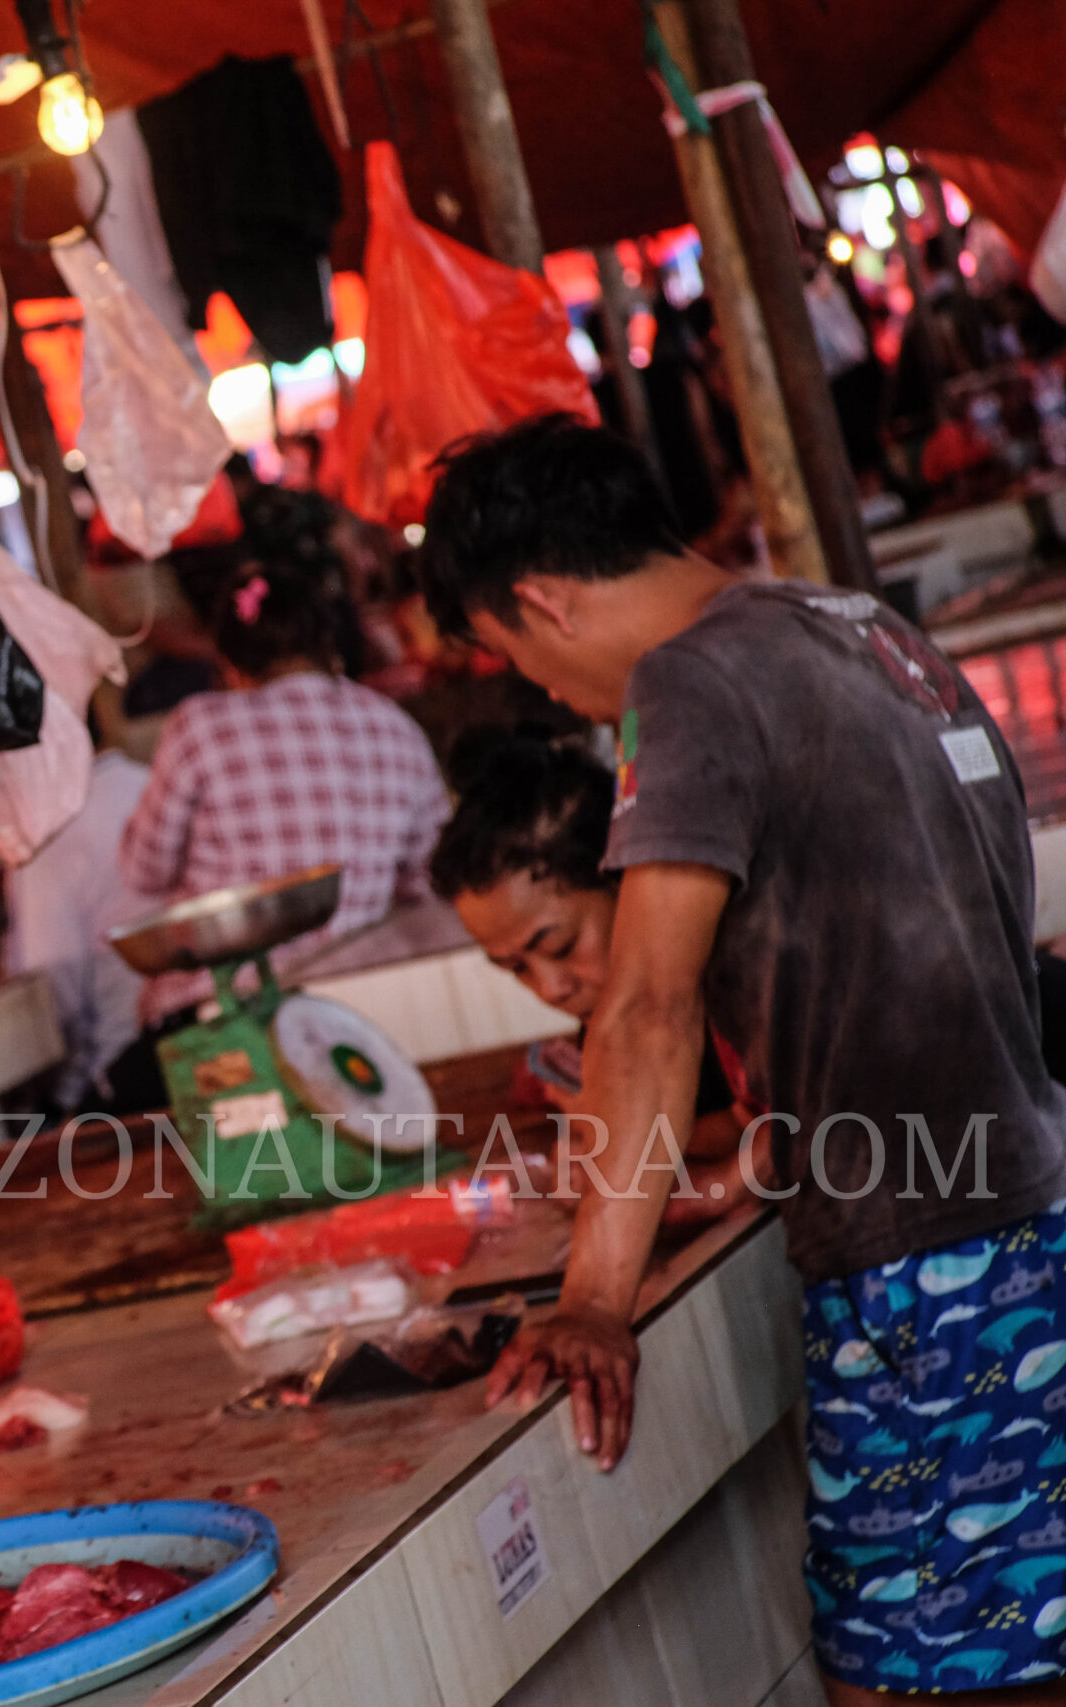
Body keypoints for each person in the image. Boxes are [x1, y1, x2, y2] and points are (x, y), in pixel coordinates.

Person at [420, 414, 1066, 1705]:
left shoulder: (692, 679)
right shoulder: (855, 624)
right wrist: (772, 1150)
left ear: (539, 600)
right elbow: (900, 963)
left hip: (931, 1261)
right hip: (1023, 1210)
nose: (550, 699)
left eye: (516, 660)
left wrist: (596, 1295)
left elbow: (650, 1003)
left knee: (919, 1680)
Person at [103, 541, 448, 1110]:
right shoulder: (392, 724)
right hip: (364, 1012)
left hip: (223, 1015)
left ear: (231, 666)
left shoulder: (200, 726)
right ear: (328, 648)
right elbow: (427, 879)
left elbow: (145, 870)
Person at [428, 732, 764, 1224]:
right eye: (516, 968)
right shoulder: (604, 1017)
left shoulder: (736, 982)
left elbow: (782, 1123)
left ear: (628, 886)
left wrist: (618, 1134)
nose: (551, 988)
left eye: (560, 948)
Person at [6, 731, 157, 1112]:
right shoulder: (148, 780)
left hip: (121, 1068)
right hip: (170, 1036)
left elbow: (55, 996)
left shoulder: (46, 834)